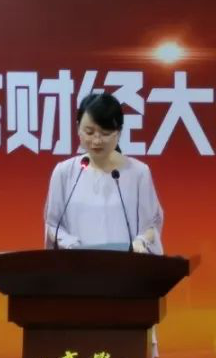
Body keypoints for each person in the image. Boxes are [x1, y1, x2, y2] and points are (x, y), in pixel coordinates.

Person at [44, 92, 164, 253]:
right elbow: (52, 225)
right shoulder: (64, 173)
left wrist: (141, 242)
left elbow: (152, 225)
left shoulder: (139, 173)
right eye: (89, 132)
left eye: (105, 133)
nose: (97, 140)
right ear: (78, 127)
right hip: (77, 264)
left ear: (119, 132)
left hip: (125, 265)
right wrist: (72, 245)